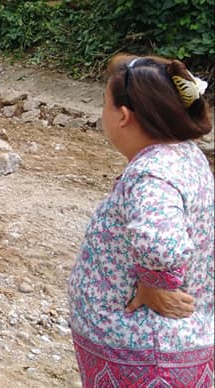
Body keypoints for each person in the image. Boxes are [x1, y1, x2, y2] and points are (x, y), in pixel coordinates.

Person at [68, 54, 214, 386]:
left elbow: (161, 246)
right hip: (175, 346)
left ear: (123, 115)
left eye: (104, 104)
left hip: (145, 354)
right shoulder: (186, 155)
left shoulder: (151, 176)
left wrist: (153, 284)